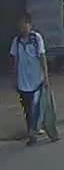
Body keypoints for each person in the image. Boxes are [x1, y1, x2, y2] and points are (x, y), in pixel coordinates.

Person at [10, 10, 58, 146]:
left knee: (35, 108)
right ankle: (32, 130)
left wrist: (46, 77)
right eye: (21, 24)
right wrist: (14, 79)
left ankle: (33, 135)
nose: (23, 27)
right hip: (23, 83)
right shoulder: (16, 42)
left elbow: (42, 58)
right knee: (27, 110)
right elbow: (15, 61)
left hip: (37, 81)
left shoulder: (36, 39)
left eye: (25, 24)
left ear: (30, 25)